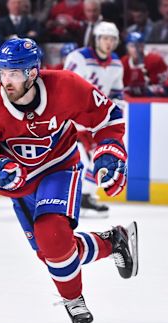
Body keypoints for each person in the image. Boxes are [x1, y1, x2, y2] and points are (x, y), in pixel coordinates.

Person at [0, 38, 138, 323]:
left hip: (60, 167)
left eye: (14, 73)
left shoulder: (66, 86)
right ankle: (112, 242)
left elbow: (108, 116)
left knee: (53, 238)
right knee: (52, 255)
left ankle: (74, 300)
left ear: (33, 73)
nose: (6, 81)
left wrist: (109, 149)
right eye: (2, 73)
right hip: (22, 184)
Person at [64, 21, 123, 218]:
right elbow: (66, 85)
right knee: (80, 159)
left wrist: (115, 115)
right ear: (97, 39)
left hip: (97, 121)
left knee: (100, 157)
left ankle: (84, 196)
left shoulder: (116, 63)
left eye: (112, 39)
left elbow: (116, 93)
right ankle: (76, 196)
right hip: (75, 120)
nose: (108, 43)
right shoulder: (79, 57)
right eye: (105, 38)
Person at [121, 32, 168, 97]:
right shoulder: (123, 62)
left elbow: (166, 85)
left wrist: (151, 90)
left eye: (138, 46)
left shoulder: (156, 60)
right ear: (127, 47)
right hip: (131, 101)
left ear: (143, 46)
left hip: (155, 100)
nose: (135, 50)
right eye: (132, 46)